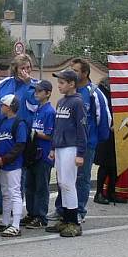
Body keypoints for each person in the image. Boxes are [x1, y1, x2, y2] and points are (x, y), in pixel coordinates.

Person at [69, 58, 111, 222]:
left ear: (85, 73)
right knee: (65, 178)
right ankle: (62, 209)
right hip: (68, 144)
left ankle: (80, 210)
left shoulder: (94, 92)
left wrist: (94, 139)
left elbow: (104, 119)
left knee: (82, 178)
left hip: (86, 144)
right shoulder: (70, 90)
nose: (72, 73)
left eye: (75, 70)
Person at [46, 69, 87, 237]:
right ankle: (65, 218)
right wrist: (53, 148)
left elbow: (82, 128)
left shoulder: (77, 102)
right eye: (59, 83)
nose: (59, 86)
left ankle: (74, 222)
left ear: (72, 84)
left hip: (71, 147)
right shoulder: (61, 102)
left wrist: (80, 153)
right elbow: (57, 128)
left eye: (62, 83)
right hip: (61, 147)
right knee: (62, 183)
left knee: (69, 184)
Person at [0, 94, 27, 237]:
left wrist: (4, 159)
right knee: (5, 194)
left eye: (3, 105)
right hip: (2, 164)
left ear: (10, 107)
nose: (0, 107)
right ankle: (5, 222)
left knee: (14, 193)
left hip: (13, 164)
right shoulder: (2, 122)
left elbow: (20, 145)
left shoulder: (19, 123)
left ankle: (15, 225)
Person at [23, 79, 55, 228]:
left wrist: (34, 132)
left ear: (47, 93)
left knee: (41, 186)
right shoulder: (37, 110)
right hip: (33, 154)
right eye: (36, 91)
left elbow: (50, 135)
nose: (36, 94)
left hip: (44, 154)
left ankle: (41, 216)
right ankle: (31, 213)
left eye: (39, 91)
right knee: (30, 185)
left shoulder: (49, 111)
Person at [93, 77, 126, 205]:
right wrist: (108, 125)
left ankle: (111, 192)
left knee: (116, 165)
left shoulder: (118, 92)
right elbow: (100, 111)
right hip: (106, 131)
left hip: (119, 130)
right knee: (105, 164)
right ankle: (99, 193)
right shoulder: (101, 92)